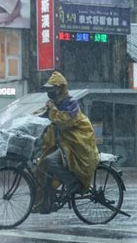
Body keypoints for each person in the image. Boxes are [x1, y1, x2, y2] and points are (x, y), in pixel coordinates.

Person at [33, 71, 99, 214]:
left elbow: (64, 121)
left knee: (51, 160)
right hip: (62, 142)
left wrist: (52, 109)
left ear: (61, 89)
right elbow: (40, 116)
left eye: (53, 91)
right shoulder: (54, 104)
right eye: (49, 92)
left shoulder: (71, 103)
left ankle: (73, 183)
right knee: (41, 167)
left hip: (76, 142)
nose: (50, 94)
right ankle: (45, 202)